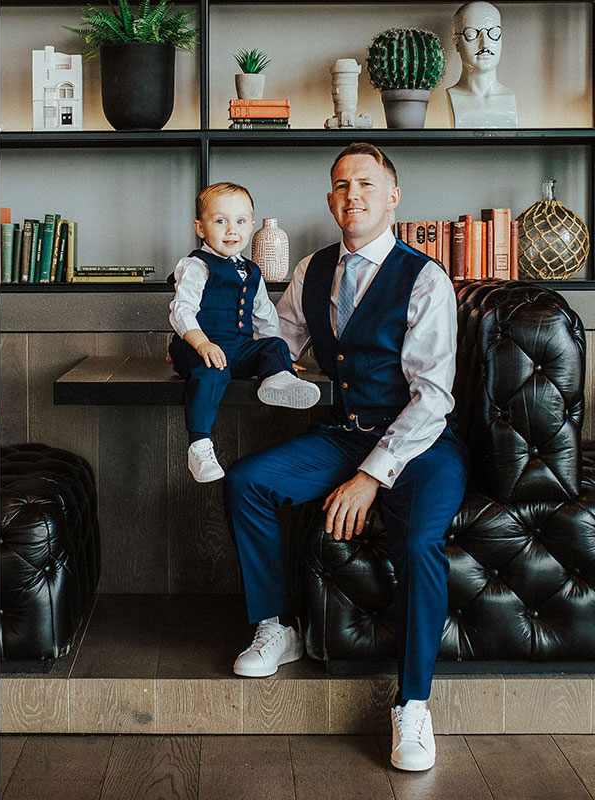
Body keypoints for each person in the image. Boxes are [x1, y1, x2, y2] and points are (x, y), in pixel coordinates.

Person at [223, 142, 468, 772]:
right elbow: (279, 337)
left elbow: (433, 398)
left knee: (417, 544)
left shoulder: (426, 277)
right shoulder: (312, 269)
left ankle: (412, 704)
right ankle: (277, 626)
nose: (349, 194)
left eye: (364, 183)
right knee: (247, 482)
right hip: (344, 432)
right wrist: (226, 336)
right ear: (330, 200)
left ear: (392, 197)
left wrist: (369, 477)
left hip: (421, 446)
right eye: (338, 185)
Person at [168, 182, 320, 482]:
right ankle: (199, 445)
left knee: (274, 345)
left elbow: (264, 316)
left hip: (236, 347)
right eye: (220, 221)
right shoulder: (196, 266)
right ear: (200, 227)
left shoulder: (252, 270)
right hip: (198, 346)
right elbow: (181, 310)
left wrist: (281, 358)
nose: (231, 230)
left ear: (251, 225)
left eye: (239, 222)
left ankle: (276, 378)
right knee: (212, 373)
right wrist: (201, 344)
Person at [447, 1, 517, 128]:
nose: (485, 44)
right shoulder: (454, 96)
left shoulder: (509, 97)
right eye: (471, 34)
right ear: (456, 43)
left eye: (493, 34)